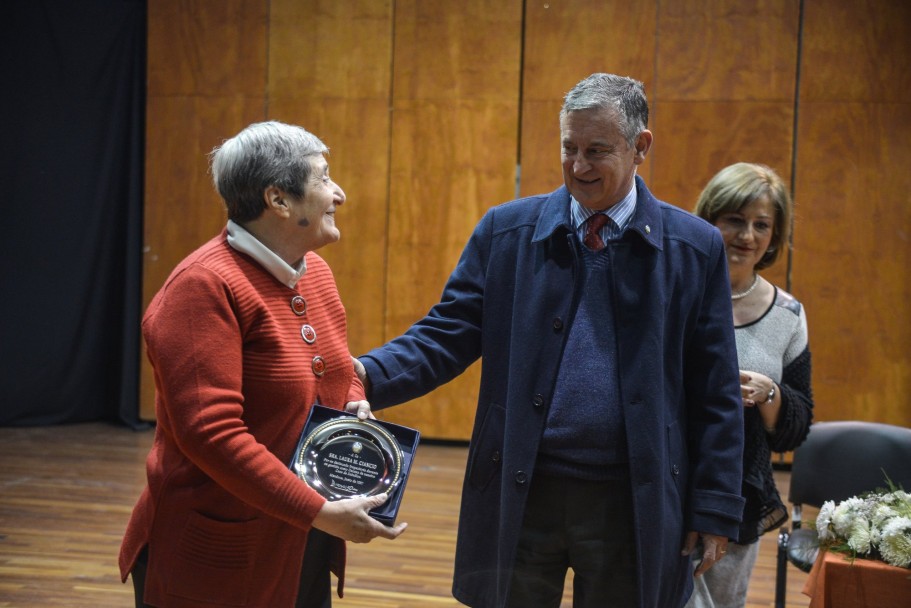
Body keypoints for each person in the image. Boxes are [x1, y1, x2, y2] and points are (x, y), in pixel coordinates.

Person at [353, 73, 745, 608]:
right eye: (569, 148)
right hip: (522, 488)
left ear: (641, 147)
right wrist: (364, 376)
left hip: (632, 500)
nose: (579, 166)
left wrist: (714, 506)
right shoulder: (505, 232)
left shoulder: (694, 248)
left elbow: (716, 391)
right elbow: (445, 334)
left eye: (597, 151)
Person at [119, 121, 407, 608]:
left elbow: (338, 373)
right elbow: (212, 434)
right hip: (218, 549)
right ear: (279, 200)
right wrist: (317, 510)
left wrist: (355, 410)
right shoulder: (203, 286)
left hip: (303, 538)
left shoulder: (315, 272)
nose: (339, 193)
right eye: (323, 178)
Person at [686, 162, 814, 608]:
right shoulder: (674, 292)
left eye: (762, 225)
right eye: (734, 220)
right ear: (709, 221)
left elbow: (796, 428)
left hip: (738, 495)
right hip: (665, 482)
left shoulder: (788, 316)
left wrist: (771, 394)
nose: (747, 235)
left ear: (774, 238)